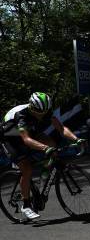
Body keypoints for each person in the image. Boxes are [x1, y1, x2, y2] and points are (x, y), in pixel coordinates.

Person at [1, 92, 84, 220]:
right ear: (32, 108)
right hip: (10, 137)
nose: (43, 115)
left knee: (52, 145)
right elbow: (26, 140)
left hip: (28, 131)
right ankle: (26, 205)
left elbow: (61, 128)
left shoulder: (44, 111)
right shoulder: (21, 115)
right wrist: (45, 148)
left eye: (45, 112)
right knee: (26, 168)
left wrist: (76, 139)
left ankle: (43, 180)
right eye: (40, 113)